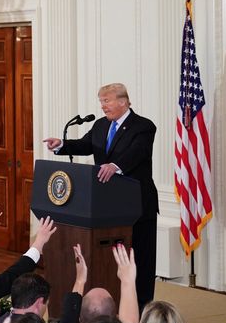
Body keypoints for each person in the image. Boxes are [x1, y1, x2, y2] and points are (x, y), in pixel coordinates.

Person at [44, 82, 158, 308]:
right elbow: (85, 145)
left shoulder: (143, 126)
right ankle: (112, 304)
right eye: (101, 101)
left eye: (107, 101)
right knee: (111, 259)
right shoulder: (100, 126)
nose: (103, 106)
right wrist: (62, 145)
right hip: (108, 206)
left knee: (140, 259)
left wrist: (116, 165)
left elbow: (138, 153)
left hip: (137, 205)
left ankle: (143, 308)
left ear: (123, 102)